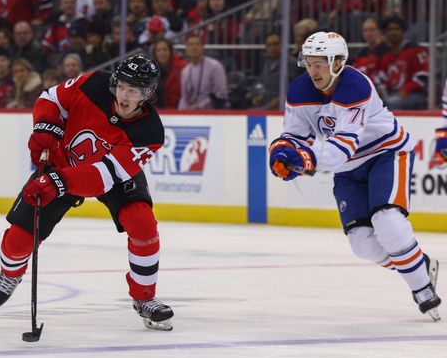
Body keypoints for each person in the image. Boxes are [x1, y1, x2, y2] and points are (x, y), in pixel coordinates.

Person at [0, 54, 174, 331]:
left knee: (142, 223)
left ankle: (144, 296)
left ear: (147, 95)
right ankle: (10, 273)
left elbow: (104, 176)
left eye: (133, 91)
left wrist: (58, 181)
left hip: (110, 175)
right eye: (122, 86)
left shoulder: (149, 132)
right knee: (18, 241)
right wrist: (45, 127)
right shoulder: (92, 85)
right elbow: (51, 99)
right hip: (62, 162)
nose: (124, 95)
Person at [269, 31, 440, 321]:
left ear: (337, 63)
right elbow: (294, 135)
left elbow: (342, 147)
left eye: (320, 63)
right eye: (309, 63)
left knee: (387, 220)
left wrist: (306, 159)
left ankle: (422, 288)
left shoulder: (355, 85)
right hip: (348, 171)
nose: (313, 71)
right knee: (362, 244)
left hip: (386, 153)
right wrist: (282, 152)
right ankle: (419, 264)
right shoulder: (299, 91)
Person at [179, 34, 228, 109]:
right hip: (191, 112)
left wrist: (200, 106)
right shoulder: (185, 71)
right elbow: (184, 97)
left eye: (197, 44)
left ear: (202, 47)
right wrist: (181, 111)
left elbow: (221, 94)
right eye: (190, 44)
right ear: (186, 49)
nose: (194, 47)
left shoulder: (215, 66)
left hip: (212, 112)